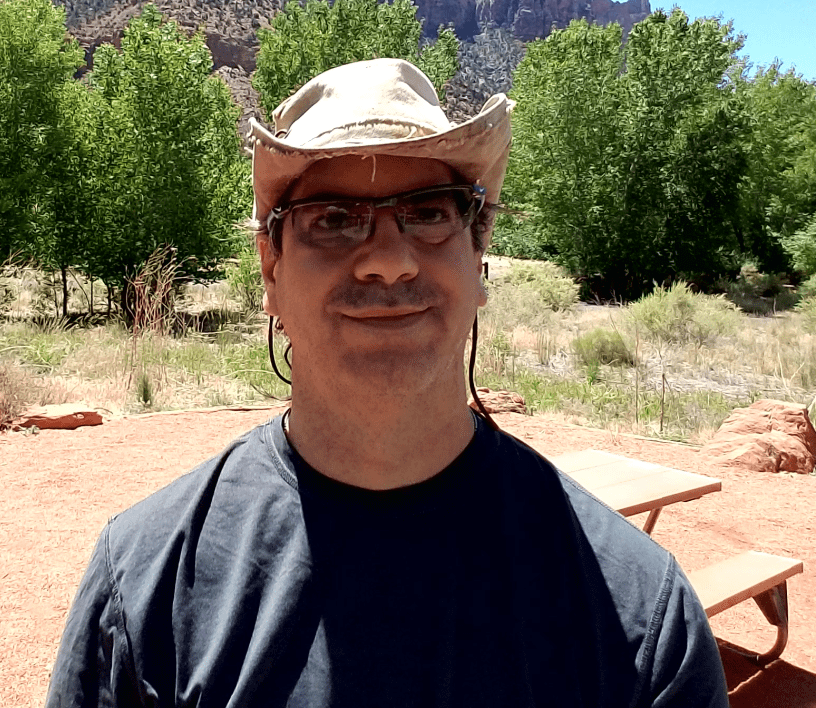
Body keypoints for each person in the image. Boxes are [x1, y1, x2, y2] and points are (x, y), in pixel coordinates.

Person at [46, 58, 729, 707]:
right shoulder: (144, 584)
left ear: (478, 252)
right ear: (270, 269)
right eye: (334, 219)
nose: (388, 260)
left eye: (429, 211)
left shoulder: (640, 612)